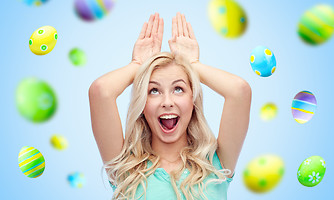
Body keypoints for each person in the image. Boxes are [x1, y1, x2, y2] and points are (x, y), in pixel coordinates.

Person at [88, 12, 252, 200]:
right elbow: (101, 91)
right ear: (142, 104)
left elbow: (239, 91)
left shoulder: (216, 164)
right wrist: (138, 65)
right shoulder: (126, 168)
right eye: (154, 91)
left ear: (193, 101)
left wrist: (192, 64)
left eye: (179, 89)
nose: (167, 102)